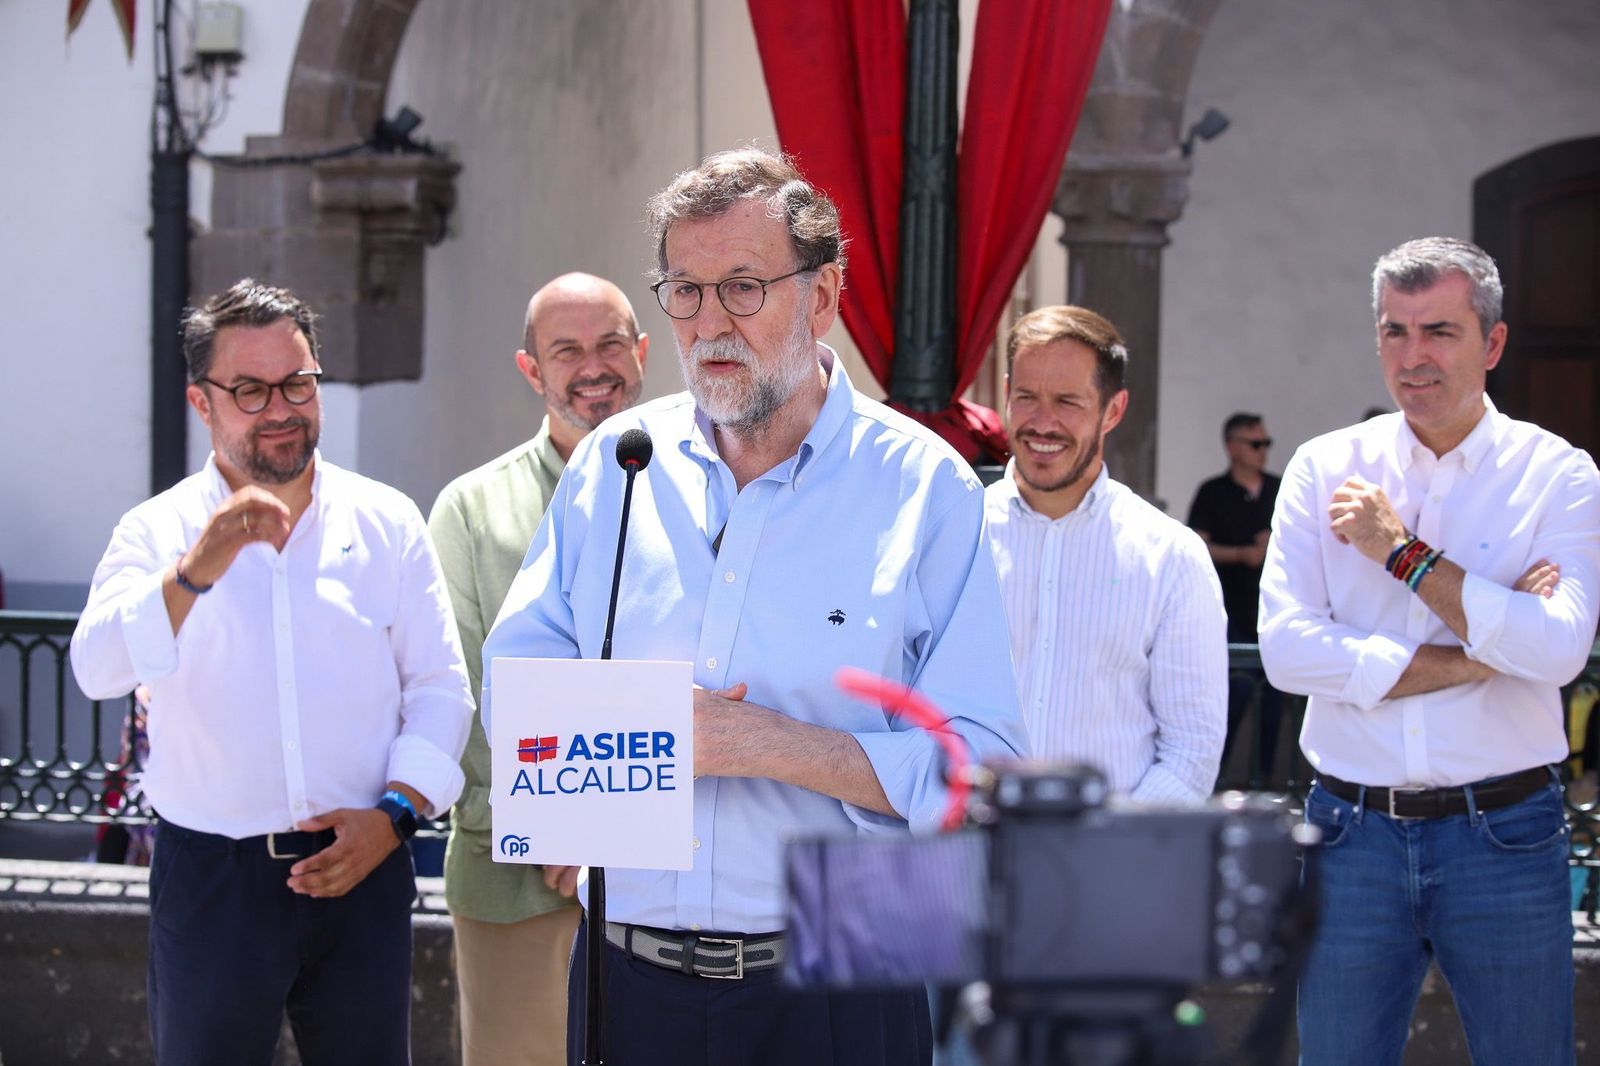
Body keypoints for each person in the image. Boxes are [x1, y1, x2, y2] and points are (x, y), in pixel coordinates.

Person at [482, 148, 1027, 1066]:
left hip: (841, 989)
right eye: (684, 292)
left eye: (742, 287)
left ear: (822, 296)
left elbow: (980, 767)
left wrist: (764, 746)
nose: (708, 324)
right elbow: (515, 691)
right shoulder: (616, 467)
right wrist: (588, 786)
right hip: (628, 983)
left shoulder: (922, 487)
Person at [70, 279, 473, 1065]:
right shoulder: (157, 532)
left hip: (363, 864)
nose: (281, 407)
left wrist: (394, 818)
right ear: (202, 403)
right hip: (213, 882)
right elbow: (96, 669)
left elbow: (439, 688)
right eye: (250, 390)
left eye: (297, 382)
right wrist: (195, 570)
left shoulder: (387, 520)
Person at [1259, 237, 1599, 1064]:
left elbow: (1556, 653)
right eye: (1394, 332)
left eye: (1439, 332)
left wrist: (1400, 553)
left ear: (1492, 343)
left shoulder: (1558, 476)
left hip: (1506, 837)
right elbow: (1286, 654)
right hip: (1349, 834)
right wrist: (1481, 650)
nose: (1414, 357)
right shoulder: (1322, 467)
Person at [428, 273, 647, 1066]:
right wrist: (557, 823)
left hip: (666, 885)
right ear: (532, 370)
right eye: (567, 350)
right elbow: (461, 694)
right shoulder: (470, 508)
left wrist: (612, 828)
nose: (593, 366)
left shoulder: (705, 494)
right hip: (516, 881)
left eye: (610, 344)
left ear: (643, 352)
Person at [984, 305, 1226, 805]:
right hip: (965, 857)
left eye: (1068, 402)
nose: (1042, 422)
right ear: (1006, 394)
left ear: (1113, 411)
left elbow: (1191, 752)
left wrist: (1109, 851)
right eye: (1026, 397)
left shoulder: (1172, 558)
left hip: (1106, 864)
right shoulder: (953, 535)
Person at [1186, 413, 1284, 780]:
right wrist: (1242, 554)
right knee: (1235, 695)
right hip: (1229, 615)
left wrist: (1274, 546)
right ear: (1233, 447)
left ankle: (1267, 784)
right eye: (1255, 444)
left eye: (1266, 444)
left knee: (1274, 703)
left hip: (1270, 614)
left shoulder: (1279, 488)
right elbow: (1197, 544)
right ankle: (1213, 781)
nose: (1263, 452)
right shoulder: (1212, 492)